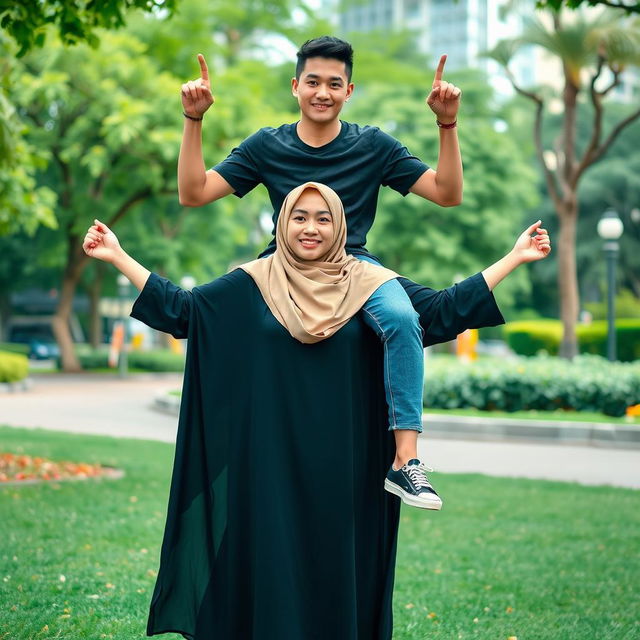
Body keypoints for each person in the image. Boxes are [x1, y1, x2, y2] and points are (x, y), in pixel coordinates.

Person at [82, 183, 550, 640]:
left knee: (339, 573)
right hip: (269, 463)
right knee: (273, 571)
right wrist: (119, 256)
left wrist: (513, 258)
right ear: (282, 223)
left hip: (349, 465)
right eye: (300, 217)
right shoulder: (251, 282)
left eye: (323, 218)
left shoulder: (373, 285)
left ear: (341, 225)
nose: (311, 228)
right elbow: (184, 312)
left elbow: (444, 311)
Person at [178, 36, 465, 508]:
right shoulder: (267, 145)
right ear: (295, 86)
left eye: (335, 84)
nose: (322, 92)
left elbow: (447, 192)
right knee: (209, 310)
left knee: (402, 319)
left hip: (355, 268)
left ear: (349, 91)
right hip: (280, 269)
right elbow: (193, 192)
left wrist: (447, 124)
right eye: (313, 82)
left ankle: (406, 462)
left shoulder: (373, 144)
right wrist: (194, 119)